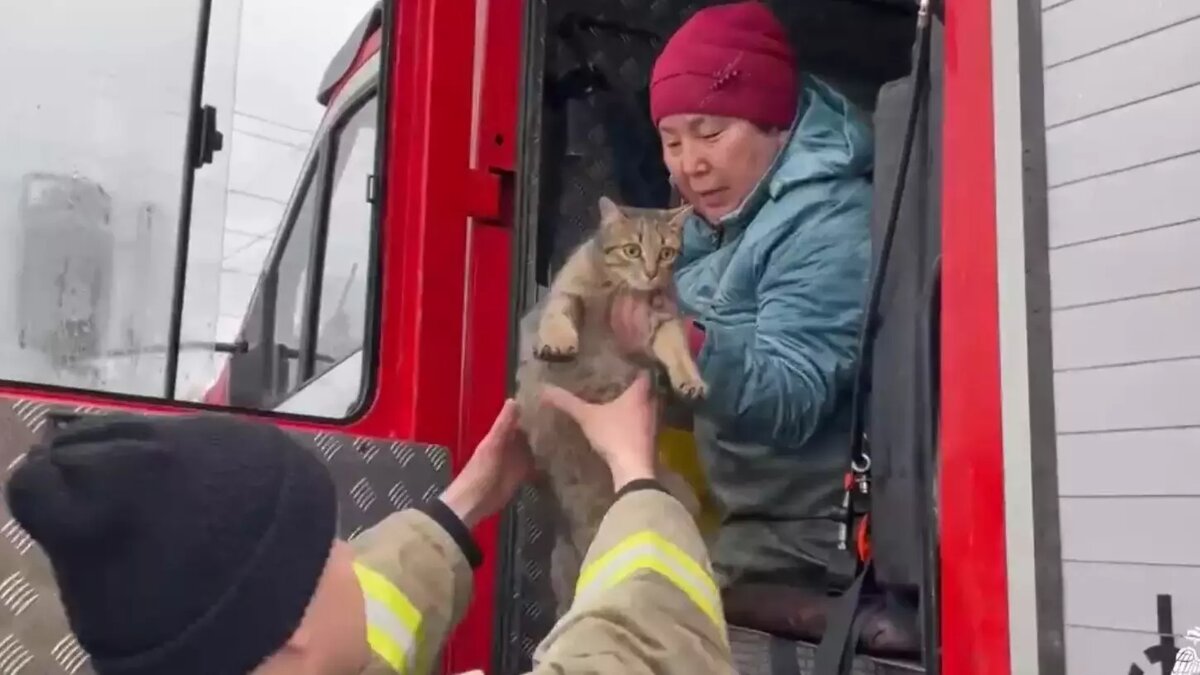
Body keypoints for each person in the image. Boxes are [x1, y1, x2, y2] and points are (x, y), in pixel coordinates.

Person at [5, 372, 734, 675]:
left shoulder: (226, 644)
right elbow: (642, 647)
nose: (353, 552)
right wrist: (636, 472)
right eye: (327, 546)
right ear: (286, 625)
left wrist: (467, 502)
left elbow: (374, 616)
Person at [610, 1, 874, 587]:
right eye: (671, 142)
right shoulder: (719, 221)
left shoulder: (827, 221)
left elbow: (794, 394)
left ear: (775, 125)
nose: (690, 166)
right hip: (748, 525)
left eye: (710, 133)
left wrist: (684, 343)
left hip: (810, 538)